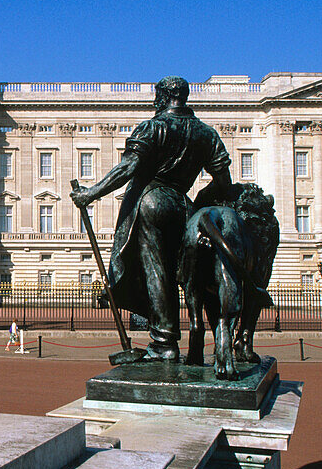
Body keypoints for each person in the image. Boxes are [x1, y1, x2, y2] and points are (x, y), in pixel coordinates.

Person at [72, 76, 232, 362]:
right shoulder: (207, 134)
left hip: (152, 201)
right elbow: (223, 183)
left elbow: (130, 166)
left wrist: (91, 194)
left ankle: (163, 342)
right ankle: (202, 336)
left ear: (162, 96)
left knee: (157, 271)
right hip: (185, 206)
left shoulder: (153, 127)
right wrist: (200, 201)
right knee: (184, 275)